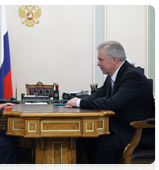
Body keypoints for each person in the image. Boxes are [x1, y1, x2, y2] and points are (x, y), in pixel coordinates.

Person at [65, 41, 157, 170]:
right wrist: (75, 102)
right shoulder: (112, 76)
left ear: (114, 59)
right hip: (121, 129)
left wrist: (80, 102)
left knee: (105, 144)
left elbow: (113, 103)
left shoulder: (132, 75)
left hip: (138, 133)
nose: (98, 63)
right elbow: (97, 95)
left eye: (100, 59)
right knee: (87, 139)